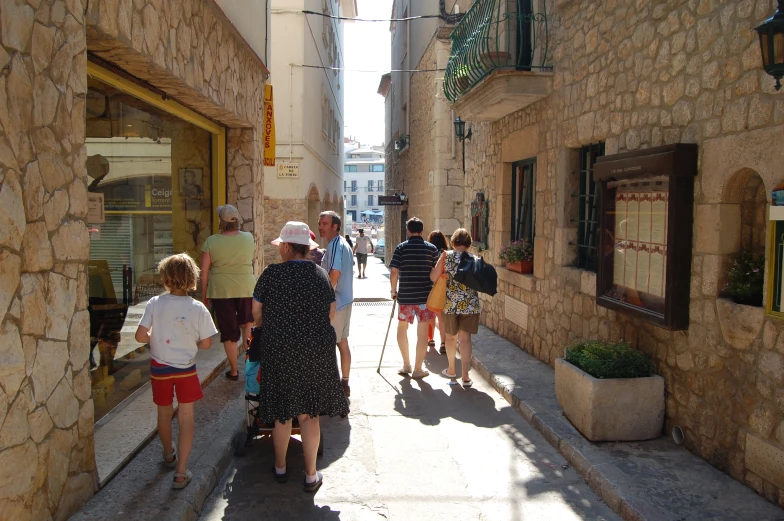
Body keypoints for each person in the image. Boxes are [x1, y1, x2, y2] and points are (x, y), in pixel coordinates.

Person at [252, 222, 350, 492]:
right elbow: (330, 312)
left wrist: (267, 327)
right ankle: (310, 474)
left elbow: (256, 311)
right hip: (315, 350)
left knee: (283, 413)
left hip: (279, 349)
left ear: (285, 247)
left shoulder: (271, 274)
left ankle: (281, 467)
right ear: (307, 248)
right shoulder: (319, 275)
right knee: (309, 415)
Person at [135, 254, 218, 489]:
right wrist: (193, 343)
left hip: (159, 368)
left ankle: (168, 454)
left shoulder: (154, 304)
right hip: (186, 370)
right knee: (186, 417)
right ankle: (181, 472)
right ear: (192, 279)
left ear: (166, 279)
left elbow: (140, 336)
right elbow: (207, 343)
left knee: (163, 413)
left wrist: (155, 338)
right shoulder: (198, 308)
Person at [200, 205, 256, 381]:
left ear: (221, 222)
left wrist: (204, 296)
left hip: (220, 289)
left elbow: (204, 272)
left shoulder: (211, 241)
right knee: (247, 324)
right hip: (246, 286)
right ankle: (249, 367)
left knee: (229, 332)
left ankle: (233, 371)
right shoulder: (248, 238)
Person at [430, 228, 481, 387]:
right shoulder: (474, 259)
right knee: (465, 340)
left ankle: (452, 369)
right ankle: (465, 376)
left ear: (453, 242)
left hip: (450, 304)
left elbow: (433, 277)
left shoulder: (445, 256)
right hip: (470, 305)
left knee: (451, 338)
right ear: (468, 243)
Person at [389, 217, 439, 379]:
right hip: (425, 298)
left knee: (402, 328)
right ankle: (418, 368)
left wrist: (393, 290)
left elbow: (394, 271)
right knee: (423, 332)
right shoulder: (431, 249)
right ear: (422, 231)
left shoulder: (401, 248)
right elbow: (437, 271)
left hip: (406, 296)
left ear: (408, 231)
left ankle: (406, 364)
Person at [318, 211, 354, 396]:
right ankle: (344, 383)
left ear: (335, 226)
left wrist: (326, 299)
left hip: (337, 303)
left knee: (330, 344)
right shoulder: (343, 244)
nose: (320, 227)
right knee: (342, 343)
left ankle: (331, 388)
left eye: (324, 223)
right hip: (345, 301)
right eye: (320, 223)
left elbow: (335, 273)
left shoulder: (334, 245)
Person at [426, 230, 449, 355]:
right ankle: (443, 342)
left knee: (430, 315)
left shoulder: (430, 252)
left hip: (431, 286)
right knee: (441, 317)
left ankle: (430, 339)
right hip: (443, 287)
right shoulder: (446, 254)